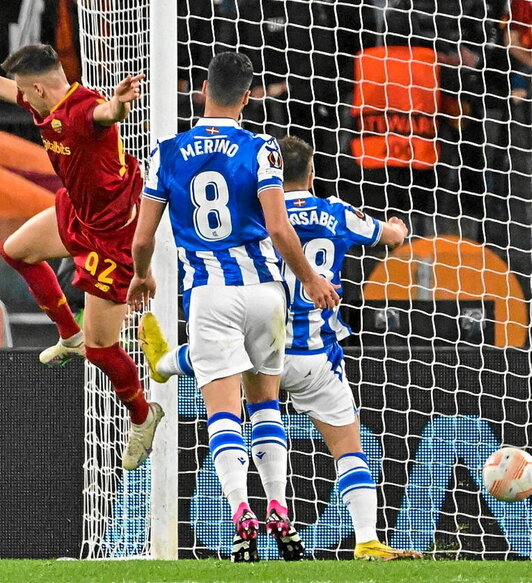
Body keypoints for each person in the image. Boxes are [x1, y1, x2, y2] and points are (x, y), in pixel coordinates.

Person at [136, 136, 423, 560]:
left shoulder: (254, 212)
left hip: (262, 335)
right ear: (311, 173)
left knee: (218, 360)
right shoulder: (336, 213)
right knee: (348, 448)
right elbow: (388, 235)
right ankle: (366, 539)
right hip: (314, 356)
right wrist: (397, 230)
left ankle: (164, 362)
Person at [127, 52, 339, 563]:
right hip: (265, 293)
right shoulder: (261, 149)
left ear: (202, 88)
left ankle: (242, 512)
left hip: (209, 295)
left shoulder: (168, 152)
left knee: (223, 412)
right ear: (246, 97)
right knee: (266, 404)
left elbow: (142, 237)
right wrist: (309, 278)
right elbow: (278, 227)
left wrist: (141, 276)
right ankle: (280, 510)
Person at [0, 44, 163, 472]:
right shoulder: (42, 97)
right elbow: (5, 89)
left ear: (38, 86)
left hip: (114, 237)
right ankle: (67, 334)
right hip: (79, 210)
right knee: (16, 251)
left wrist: (118, 104)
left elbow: (104, 115)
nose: (22, 98)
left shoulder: (82, 110)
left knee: (102, 350)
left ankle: (144, 417)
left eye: (24, 90)